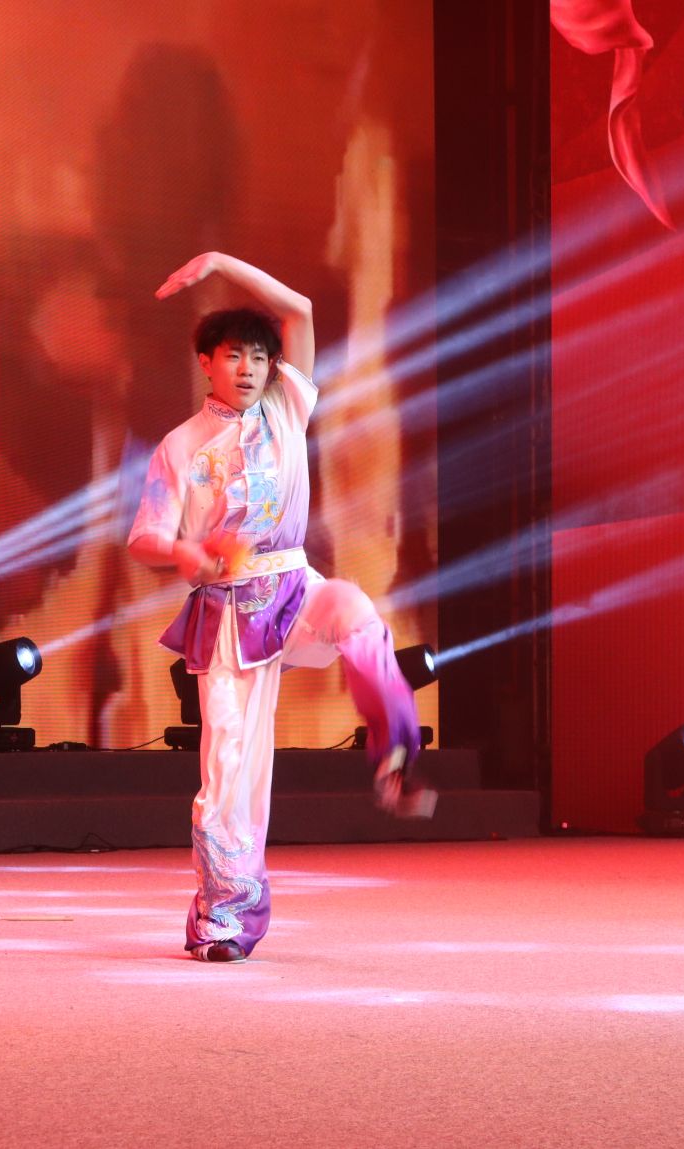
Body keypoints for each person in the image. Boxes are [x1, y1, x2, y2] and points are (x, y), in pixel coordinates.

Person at [128, 251, 430, 964]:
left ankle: (394, 749)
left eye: (260, 357)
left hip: (293, 589)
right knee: (230, 770)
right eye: (235, 355)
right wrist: (186, 556)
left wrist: (220, 263)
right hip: (227, 617)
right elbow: (144, 537)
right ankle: (224, 917)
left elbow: (300, 311)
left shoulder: (286, 408)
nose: (250, 368)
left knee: (354, 610)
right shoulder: (180, 448)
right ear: (206, 362)